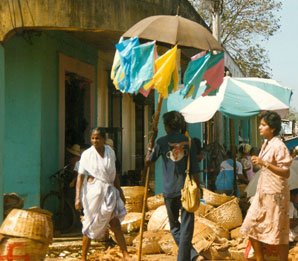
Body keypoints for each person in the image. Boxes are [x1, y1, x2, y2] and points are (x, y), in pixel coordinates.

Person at [145, 111, 202, 261]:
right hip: (188, 189)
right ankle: (191, 255)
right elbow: (195, 168)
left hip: (169, 190)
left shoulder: (161, 142)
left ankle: (187, 257)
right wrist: (200, 187)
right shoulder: (188, 142)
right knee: (187, 227)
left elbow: (148, 161)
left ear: (168, 125)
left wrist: (151, 143)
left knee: (175, 227)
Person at [240, 111, 293, 261]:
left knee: (279, 231)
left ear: (273, 128)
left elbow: (286, 172)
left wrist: (265, 163)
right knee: (251, 224)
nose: (259, 127)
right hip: (263, 191)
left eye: (263, 125)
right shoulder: (266, 143)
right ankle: (260, 258)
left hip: (276, 193)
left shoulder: (279, 145)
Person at [74, 128, 131, 261]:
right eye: (93, 138)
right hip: (93, 193)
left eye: (98, 138)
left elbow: (113, 174)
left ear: (104, 139)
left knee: (115, 224)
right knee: (89, 223)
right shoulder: (87, 155)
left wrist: (120, 191)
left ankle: (125, 254)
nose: (95, 141)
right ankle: (83, 257)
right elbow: (80, 177)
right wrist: (77, 197)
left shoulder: (110, 152)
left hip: (110, 192)